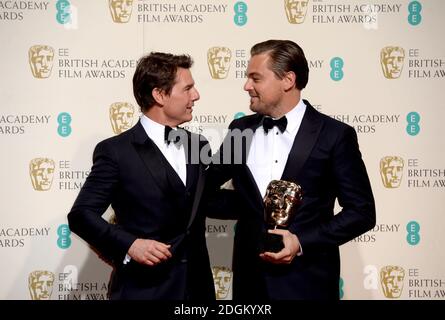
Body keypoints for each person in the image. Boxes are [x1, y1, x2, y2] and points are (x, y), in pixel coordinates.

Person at [208, 39, 376, 300]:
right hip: (249, 285)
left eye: (256, 78)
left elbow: (362, 212)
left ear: (287, 80)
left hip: (308, 283)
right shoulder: (240, 130)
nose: (246, 86)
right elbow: (206, 190)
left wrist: (300, 242)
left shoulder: (334, 135)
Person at [67, 52, 215, 300]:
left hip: (198, 289)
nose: (196, 95)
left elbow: (206, 201)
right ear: (159, 95)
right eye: (187, 88)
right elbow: (81, 215)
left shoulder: (198, 144)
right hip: (145, 290)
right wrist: (130, 244)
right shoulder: (115, 151)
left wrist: (261, 203)